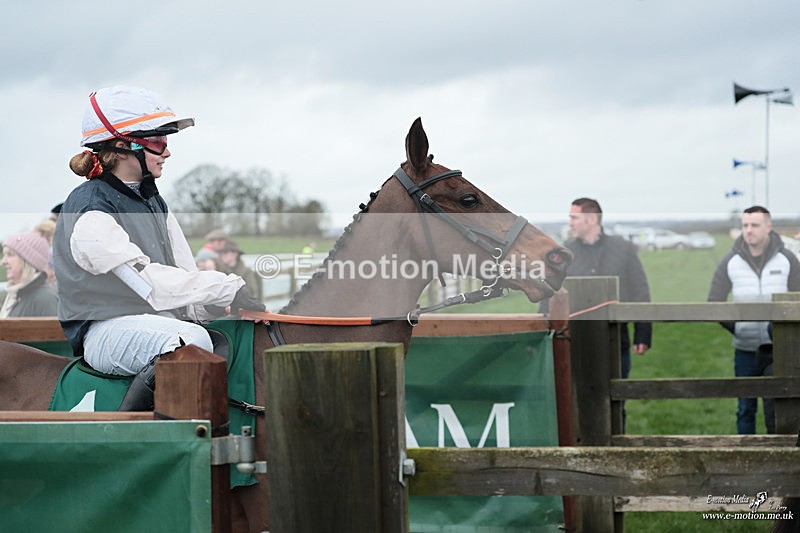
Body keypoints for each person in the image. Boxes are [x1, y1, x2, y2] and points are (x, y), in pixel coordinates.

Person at [54, 85, 266, 410]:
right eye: (158, 142)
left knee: (230, 332)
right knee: (190, 340)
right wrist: (224, 287)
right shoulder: (89, 208)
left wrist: (214, 307)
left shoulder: (153, 200)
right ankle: (135, 437)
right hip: (104, 330)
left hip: (151, 321)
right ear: (124, 146)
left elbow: (182, 276)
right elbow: (148, 283)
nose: (167, 152)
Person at [708, 206, 800, 434]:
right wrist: (737, 328)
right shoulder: (730, 261)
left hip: (778, 351)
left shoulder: (787, 259)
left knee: (778, 408)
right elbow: (714, 301)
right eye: (745, 225)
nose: (749, 231)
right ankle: (744, 462)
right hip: (745, 350)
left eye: (755, 225)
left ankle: (780, 460)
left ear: (769, 227)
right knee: (745, 409)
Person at [558, 198, 652, 376]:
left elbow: (640, 290)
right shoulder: (565, 253)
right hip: (577, 339)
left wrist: (643, 333)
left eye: (574, 218)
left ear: (592, 219)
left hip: (616, 338)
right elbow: (553, 293)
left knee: (617, 396)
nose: (570, 223)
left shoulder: (623, 248)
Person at [1, 230, 59, 317]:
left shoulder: (45, 299)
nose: (3, 261)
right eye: (4, 255)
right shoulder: (14, 295)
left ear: (28, 261)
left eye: (10, 255)